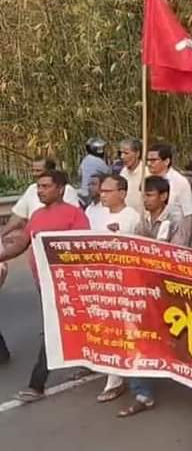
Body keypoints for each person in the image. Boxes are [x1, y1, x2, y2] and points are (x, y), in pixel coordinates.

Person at [0, 170, 90, 401]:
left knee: (53, 329)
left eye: (45, 186)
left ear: (60, 189)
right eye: (38, 187)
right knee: (70, 326)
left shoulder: (75, 215)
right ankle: (92, 360)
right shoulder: (37, 216)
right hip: (42, 283)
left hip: (67, 285)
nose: (40, 191)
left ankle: (36, 384)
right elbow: (21, 244)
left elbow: (82, 249)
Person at [81, 173, 142, 403]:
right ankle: (113, 377)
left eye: (108, 191)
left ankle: (133, 381)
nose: (102, 195)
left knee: (128, 332)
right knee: (107, 331)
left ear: (122, 193)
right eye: (102, 191)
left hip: (125, 284)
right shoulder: (93, 213)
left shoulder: (133, 218)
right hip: (100, 282)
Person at [0, 158, 80, 239]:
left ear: (50, 171)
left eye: (38, 170)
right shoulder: (32, 188)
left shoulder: (66, 190)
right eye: (33, 170)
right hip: (32, 237)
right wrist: (3, 234)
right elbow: (18, 216)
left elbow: (72, 218)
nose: (34, 174)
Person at [145, 143, 192, 243]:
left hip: (174, 234)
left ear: (166, 161)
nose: (149, 164)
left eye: (154, 160)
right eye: (148, 160)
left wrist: (184, 246)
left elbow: (188, 215)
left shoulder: (180, 182)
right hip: (150, 230)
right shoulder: (146, 178)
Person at [78, 137, 111, 206]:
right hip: (92, 195)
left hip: (83, 193)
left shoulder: (85, 160)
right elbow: (110, 174)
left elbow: (80, 175)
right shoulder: (99, 162)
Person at [119, 139, 145, 214]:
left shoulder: (146, 173)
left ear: (137, 154)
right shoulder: (123, 172)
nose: (122, 156)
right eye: (121, 153)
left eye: (126, 153)